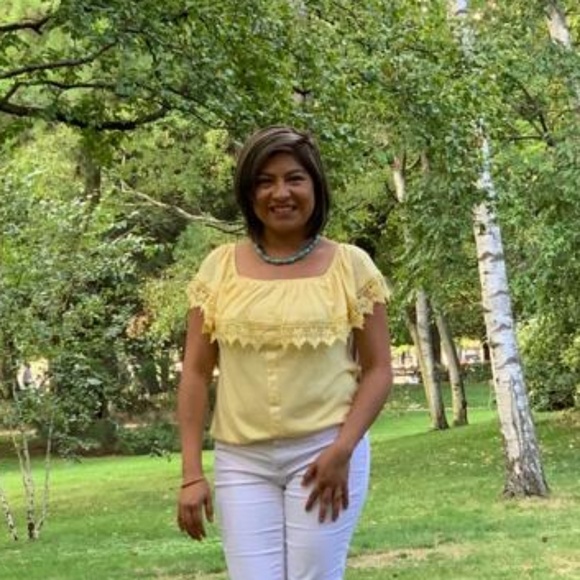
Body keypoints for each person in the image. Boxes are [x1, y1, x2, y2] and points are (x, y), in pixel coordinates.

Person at [177, 125, 393, 580]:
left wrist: (343, 450)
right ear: (248, 192)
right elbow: (195, 373)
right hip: (242, 462)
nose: (280, 193)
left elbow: (378, 371)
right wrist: (192, 473)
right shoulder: (218, 268)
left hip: (325, 453)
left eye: (294, 178)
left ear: (315, 186)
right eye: (265, 181)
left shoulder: (352, 266)